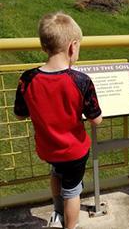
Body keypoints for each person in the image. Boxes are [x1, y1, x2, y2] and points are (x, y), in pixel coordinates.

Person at [14, 12, 102, 229]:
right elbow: (96, 120)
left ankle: (56, 213)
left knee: (56, 172)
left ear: (44, 47)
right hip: (74, 151)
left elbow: (19, 113)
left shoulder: (28, 78)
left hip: (47, 148)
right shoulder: (81, 81)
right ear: (73, 47)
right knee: (72, 191)